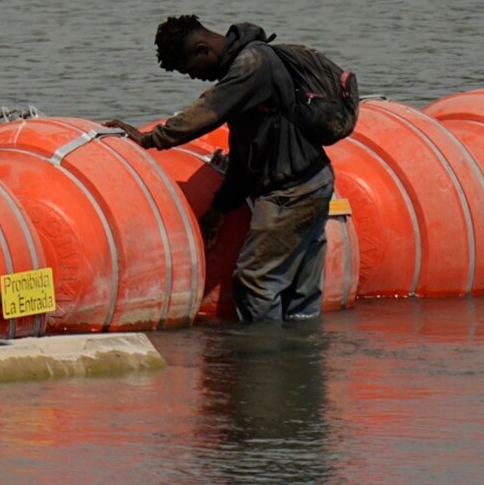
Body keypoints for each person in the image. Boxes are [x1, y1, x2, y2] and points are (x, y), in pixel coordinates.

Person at [106, 16, 334, 324]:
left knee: (255, 283)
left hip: (290, 192)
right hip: (313, 181)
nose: (194, 79)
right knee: (299, 293)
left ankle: (265, 364)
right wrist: (222, 206)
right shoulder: (252, 67)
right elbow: (245, 154)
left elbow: (207, 111)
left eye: (191, 70)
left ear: (202, 50)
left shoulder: (251, 65)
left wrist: (150, 138)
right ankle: (300, 362)